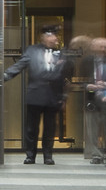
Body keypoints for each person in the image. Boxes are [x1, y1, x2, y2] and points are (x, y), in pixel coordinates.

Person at [4, 24, 69, 164]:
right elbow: (20, 65)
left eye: (55, 36)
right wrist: (5, 75)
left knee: (50, 128)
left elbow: (63, 77)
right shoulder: (32, 50)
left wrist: (63, 97)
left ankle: (48, 156)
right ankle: (30, 155)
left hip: (53, 96)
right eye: (51, 36)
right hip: (35, 95)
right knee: (31, 128)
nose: (54, 39)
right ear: (44, 37)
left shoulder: (61, 53)